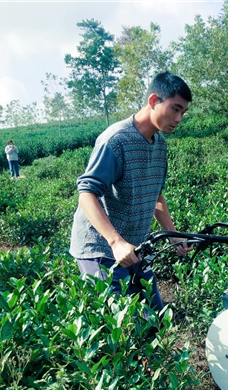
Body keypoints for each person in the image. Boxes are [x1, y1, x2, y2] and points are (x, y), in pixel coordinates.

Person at [69, 72, 194, 312]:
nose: (179, 118)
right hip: (101, 249)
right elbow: (86, 193)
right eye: (175, 109)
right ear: (154, 100)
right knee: (117, 329)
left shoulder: (160, 144)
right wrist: (115, 242)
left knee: (155, 320)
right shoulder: (116, 140)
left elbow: (156, 197)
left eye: (183, 113)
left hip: (134, 248)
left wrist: (173, 234)